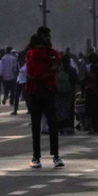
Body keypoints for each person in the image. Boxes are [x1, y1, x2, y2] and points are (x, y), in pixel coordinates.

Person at [25, 29, 63, 169]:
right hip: (44, 90)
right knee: (46, 124)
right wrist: (49, 73)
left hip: (38, 90)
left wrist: (37, 77)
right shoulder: (42, 54)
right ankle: (50, 156)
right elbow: (43, 71)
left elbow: (34, 74)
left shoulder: (36, 54)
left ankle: (41, 156)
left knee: (43, 125)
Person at [55, 53, 78, 134]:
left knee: (60, 109)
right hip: (70, 92)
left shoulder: (58, 70)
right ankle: (69, 127)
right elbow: (76, 81)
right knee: (70, 109)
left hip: (59, 92)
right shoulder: (72, 70)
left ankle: (60, 127)